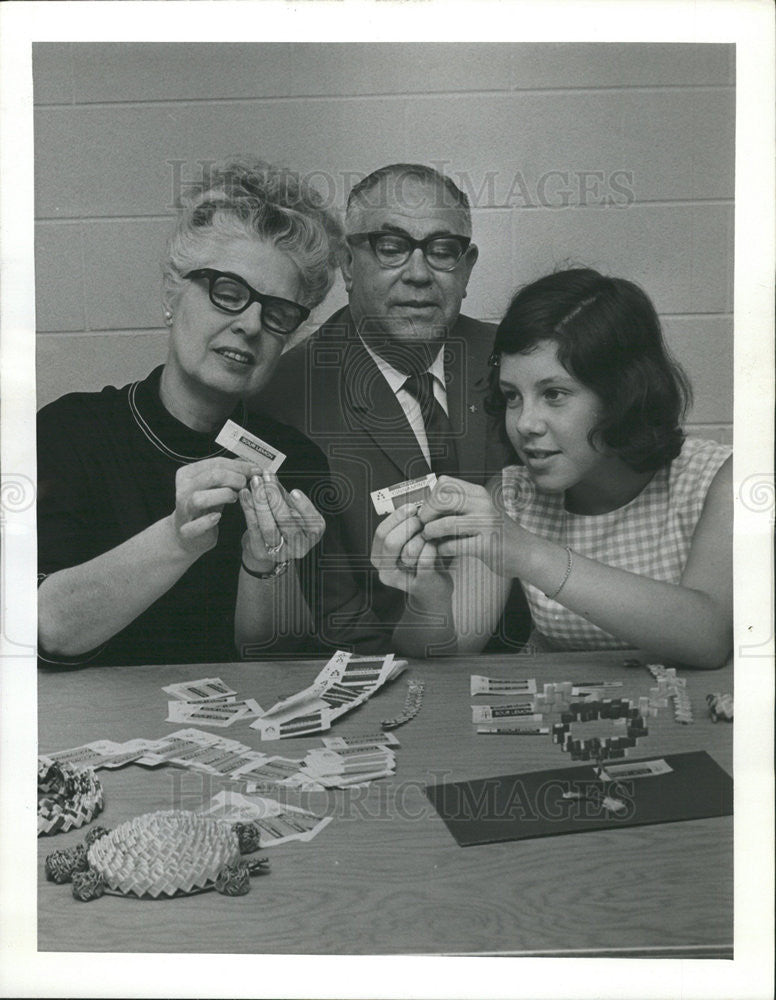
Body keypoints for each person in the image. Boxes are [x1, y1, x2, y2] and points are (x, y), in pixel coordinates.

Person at [37, 160, 383, 667]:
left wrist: (265, 567)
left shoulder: (293, 463)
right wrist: (177, 538)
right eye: (228, 293)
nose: (250, 325)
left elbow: (272, 661)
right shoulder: (71, 433)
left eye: (277, 312)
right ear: (172, 293)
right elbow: (45, 629)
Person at [372, 268, 733, 669]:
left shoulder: (717, 479)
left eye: (554, 394)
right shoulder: (512, 493)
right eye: (512, 396)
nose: (525, 423)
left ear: (623, 394)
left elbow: (709, 637)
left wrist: (527, 553)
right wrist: (428, 596)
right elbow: (444, 653)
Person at [256, 163, 531, 650]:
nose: (420, 274)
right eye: (391, 247)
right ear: (346, 262)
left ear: (466, 269)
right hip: (386, 676)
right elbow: (326, 607)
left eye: (443, 251)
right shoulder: (285, 396)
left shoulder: (515, 362)